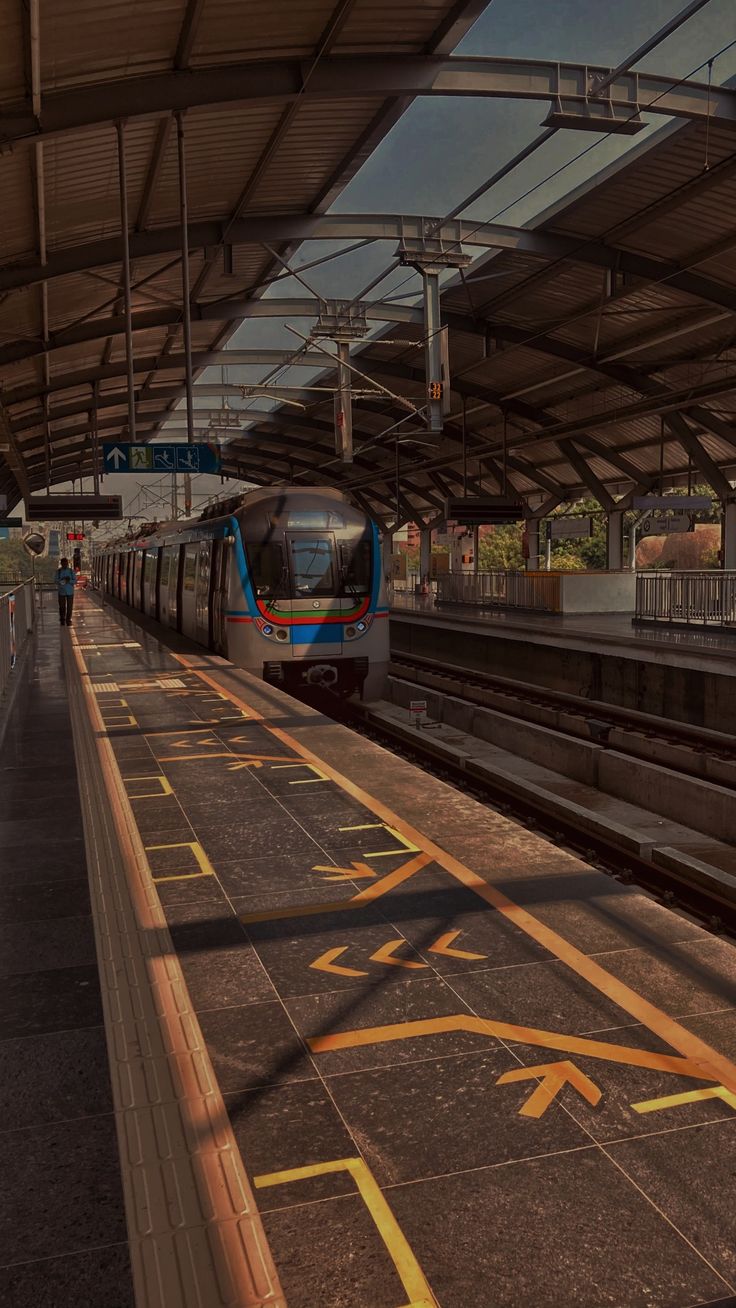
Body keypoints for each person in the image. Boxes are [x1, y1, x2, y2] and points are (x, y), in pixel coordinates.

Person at [56, 557, 76, 626]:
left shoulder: (71, 571)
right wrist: (62, 580)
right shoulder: (58, 571)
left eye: (66, 563)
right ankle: (62, 619)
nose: (64, 565)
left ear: (67, 564)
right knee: (62, 606)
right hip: (61, 592)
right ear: (61, 564)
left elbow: (75, 581)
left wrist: (69, 580)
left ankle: (68, 620)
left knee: (69, 606)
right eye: (63, 563)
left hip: (70, 592)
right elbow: (55, 580)